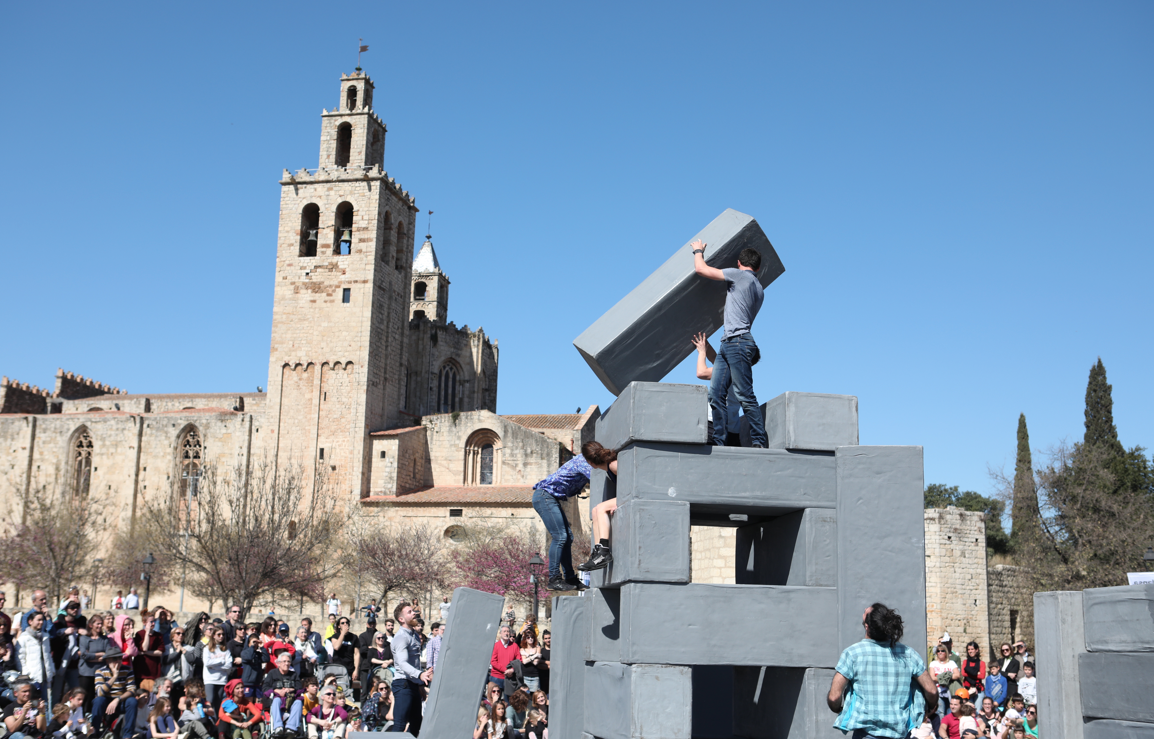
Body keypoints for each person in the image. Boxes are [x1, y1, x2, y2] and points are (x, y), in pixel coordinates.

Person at [691, 239, 767, 448]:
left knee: (744, 393)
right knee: (715, 393)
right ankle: (719, 440)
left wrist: (698, 250)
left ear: (739, 263)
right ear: (758, 268)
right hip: (729, 343)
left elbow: (701, 269)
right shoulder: (759, 289)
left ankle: (760, 442)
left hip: (738, 342)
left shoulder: (739, 275)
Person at [827, 603, 938, 739]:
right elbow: (932, 691)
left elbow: (834, 696)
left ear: (867, 626)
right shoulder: (908, 654)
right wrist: (929, 707)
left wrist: (838, 708)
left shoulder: (853, 654)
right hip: (901, 734)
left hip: (865, 734)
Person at [531, 442, 615, 588]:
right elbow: (599, 476)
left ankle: (570, 578)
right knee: (560, 536)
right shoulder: (584, 463)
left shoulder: (583, 461)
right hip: (544, 496)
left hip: (549, 498)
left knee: (567, 537)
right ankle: (554, 578)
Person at [691, 332, 743, 446]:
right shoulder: (741, 369)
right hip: (733, 428)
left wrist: (702, 352)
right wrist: (704, 342)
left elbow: (701, 373)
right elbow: (715, 358)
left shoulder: (730, 370)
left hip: (715, 425)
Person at [389, 602, 430, 735]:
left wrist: (419, 685)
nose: (414, 613)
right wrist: (420, 675)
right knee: (400, 724)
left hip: (413, 685)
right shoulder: (401, 637)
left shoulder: (414, 635)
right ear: (401, 619)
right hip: (403, 685)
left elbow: (414, 662)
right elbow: (402, 663)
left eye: (413, 611)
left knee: (417, 723)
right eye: (409, 612)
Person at [92, 650, 138, 739]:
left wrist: (117, 699)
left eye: (120, 658)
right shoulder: (100, 671)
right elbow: (99, 693)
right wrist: (114, 677)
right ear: (107, 660)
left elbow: (132, 690)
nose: (118, 660)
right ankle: (94, 732)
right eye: (115, 658)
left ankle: (127, 735)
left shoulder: (128, 669)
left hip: (120, 701)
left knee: (132, 701)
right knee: (98, 700)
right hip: (106, 701)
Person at [263, 651, 304, 738]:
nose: (286, 663)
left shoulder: (294, 674)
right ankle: (278, 727)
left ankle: (291, 728)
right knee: (276, 700)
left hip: (291, 700)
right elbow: (265, 688)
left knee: (299, 702)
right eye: (284, 661)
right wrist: (277, 691)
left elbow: (300, 688)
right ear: (278, 663)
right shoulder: (272, 673)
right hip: (277, 699)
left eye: (288, 661)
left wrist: (290, 689)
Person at [16, 611, 55, 696]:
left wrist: (51, 670)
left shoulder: (45, 636)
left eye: (42, 620)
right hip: (32, 677)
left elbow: (48, 655)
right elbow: (20, 658)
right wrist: (27, 673)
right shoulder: (24, 637)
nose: (41, 622)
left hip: (45, 676)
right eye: (39, 620)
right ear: (30, 621)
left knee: (45, 704)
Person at [79, 615, 111, 711]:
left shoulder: (105, 639)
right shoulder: (84, 639)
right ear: (91, 625)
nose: (100, 626)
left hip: (100, 674)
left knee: (95, 698)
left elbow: (108, 655)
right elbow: (84, 655)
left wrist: (92, 657)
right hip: (86, 673)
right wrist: (100, 655)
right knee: (83, 697)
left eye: (101, 624)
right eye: (97, 623)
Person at [201, 627, 232, 712]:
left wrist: (214, 666)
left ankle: (216, 723)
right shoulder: (207, 649)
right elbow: (207, 663)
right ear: (213, 635)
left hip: (222, 680)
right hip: (210, 679)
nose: (221, 636)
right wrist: (221, 661)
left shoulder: (226, 649)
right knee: (209, 702)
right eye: (219, 634)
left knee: (218, 704)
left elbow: (229, 665)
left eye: (223, 634)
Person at [929, 644, 961, 714]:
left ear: (946, 652)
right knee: (940, 712)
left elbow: (957, 675)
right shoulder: (933, 663)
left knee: (951, 712)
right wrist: (947, 677)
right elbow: (932, 677)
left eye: (942, 651)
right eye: (938, 651)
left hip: (950, 691)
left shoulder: (951, 663)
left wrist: (942, 678)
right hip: (939, 692)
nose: (940, 652)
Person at [328, 618, 359, 687]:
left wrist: (356, 670)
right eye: (342, 623)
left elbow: (357, 654)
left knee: (348, 688)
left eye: (346, 622)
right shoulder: (335, 636)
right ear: (339, 626)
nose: (345, 624)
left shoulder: (354, 637)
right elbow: (336, 647)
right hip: (337, 667)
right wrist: (342, 634)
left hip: (349, 667)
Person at [489, 626, 520, 693]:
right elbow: (493, 661)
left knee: (508, 702)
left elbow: (518, 660)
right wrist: (505, 670)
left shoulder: (515, 646)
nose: (506, 633)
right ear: (500, 633)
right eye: (504, 631)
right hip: (496, 677)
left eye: (508, 631)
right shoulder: (495, 646)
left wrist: (512, 670)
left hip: (510, 678)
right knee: (495, 701)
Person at [539, 631, 551, 696]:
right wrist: (549, 664)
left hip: (553, 678)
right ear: (543, 640)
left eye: (549, 638)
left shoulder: (555, 650)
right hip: (543, 678)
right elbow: (538, 664)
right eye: (546, 638)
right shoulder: (541, 650)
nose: (548, 640)